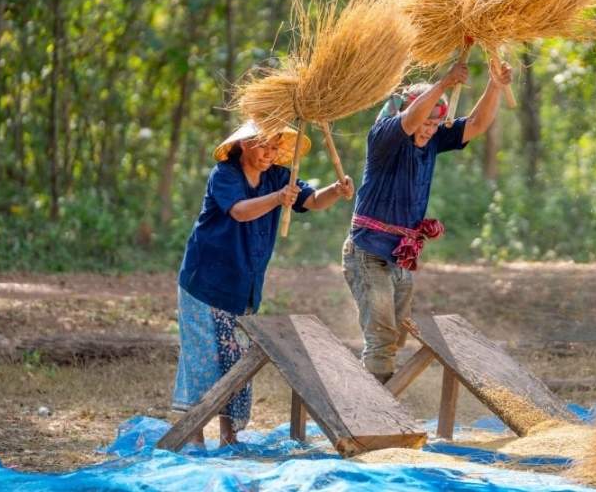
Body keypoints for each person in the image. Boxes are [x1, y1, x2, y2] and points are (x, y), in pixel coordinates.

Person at [172, 121, 354, 445]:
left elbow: (311, 200)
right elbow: (240, 212)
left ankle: (230, 439)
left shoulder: (278, 176)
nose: (269, 154)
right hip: (205, 283)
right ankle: (193, 438)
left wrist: (336, 192)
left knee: (238, 363)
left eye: (274, 148)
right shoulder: (225, 174)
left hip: (244, 287)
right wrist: (277, 198)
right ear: (243, 145)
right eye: (262, 146)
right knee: (202, 360)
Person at [342, 56, 513, 383]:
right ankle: (376, 413)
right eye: (425, 123)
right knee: (381, 337)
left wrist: (495, 84)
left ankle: (375, 391)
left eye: (435, 125)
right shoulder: (385, 136)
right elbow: (410, 120)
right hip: (368, 250)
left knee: (398, 334)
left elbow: (475, 124)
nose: (428, 130)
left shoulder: (432, 138)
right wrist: (446, 82)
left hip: (401, 255)